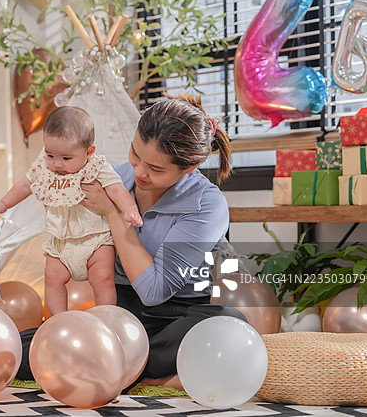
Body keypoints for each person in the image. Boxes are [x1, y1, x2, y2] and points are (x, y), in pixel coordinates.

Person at [15, 94, 246, 390]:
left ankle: (109, 365)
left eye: (155, 168)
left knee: (227, 324)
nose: (138, 172)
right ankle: (139, 371)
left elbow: (154, 292)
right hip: (117, 312)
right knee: (18, 347)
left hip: (172, 317)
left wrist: (112, 213)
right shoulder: (111, 178)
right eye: (135, 154)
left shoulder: (207, 205)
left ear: (188, 168)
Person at [0, 106, 142, 316]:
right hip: (60, 241)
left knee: (103, 278)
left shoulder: (96, 167)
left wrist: (130, 209)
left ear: (89, 152)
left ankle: (106, 317)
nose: (57, 163)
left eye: (66, 158)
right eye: (50, 154)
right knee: (52, 279)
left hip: (95, 239)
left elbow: (117, 189)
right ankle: (59, 318)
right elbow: (24, 185)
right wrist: (3, 204)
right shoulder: (43, 167)